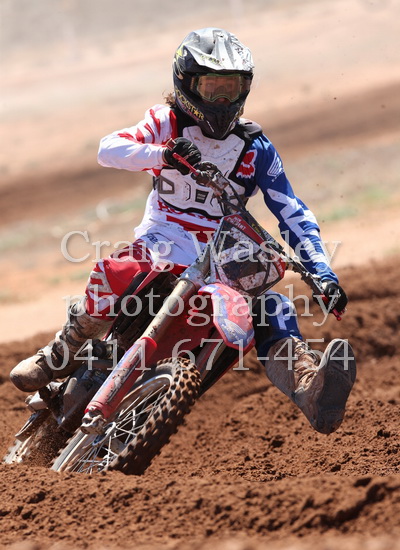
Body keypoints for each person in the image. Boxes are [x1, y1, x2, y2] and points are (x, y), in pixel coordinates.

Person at [11, 27, 356, 434]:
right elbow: (109, 149)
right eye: (212, 88)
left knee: (273, 307)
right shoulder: (166, 122)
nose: (222, 100)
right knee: (118, 270)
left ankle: (311, 390)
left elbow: (292, 212)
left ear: (246, 88)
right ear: (187, 83)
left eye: (231, 89)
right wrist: (163, 155)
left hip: (224, 257)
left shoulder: (256, 148)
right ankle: (63, 349)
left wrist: (323, 273)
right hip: (165, 237)